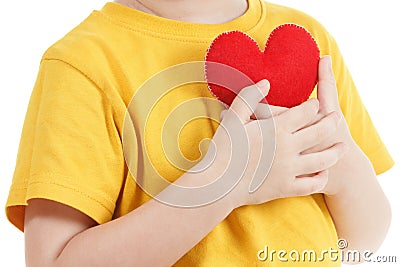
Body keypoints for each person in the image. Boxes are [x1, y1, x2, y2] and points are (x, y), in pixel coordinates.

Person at [5, 0, 393, 266]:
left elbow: (360, 244)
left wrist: (340, 165)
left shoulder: (308, 40)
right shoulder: (84, 64)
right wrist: (222, 183)